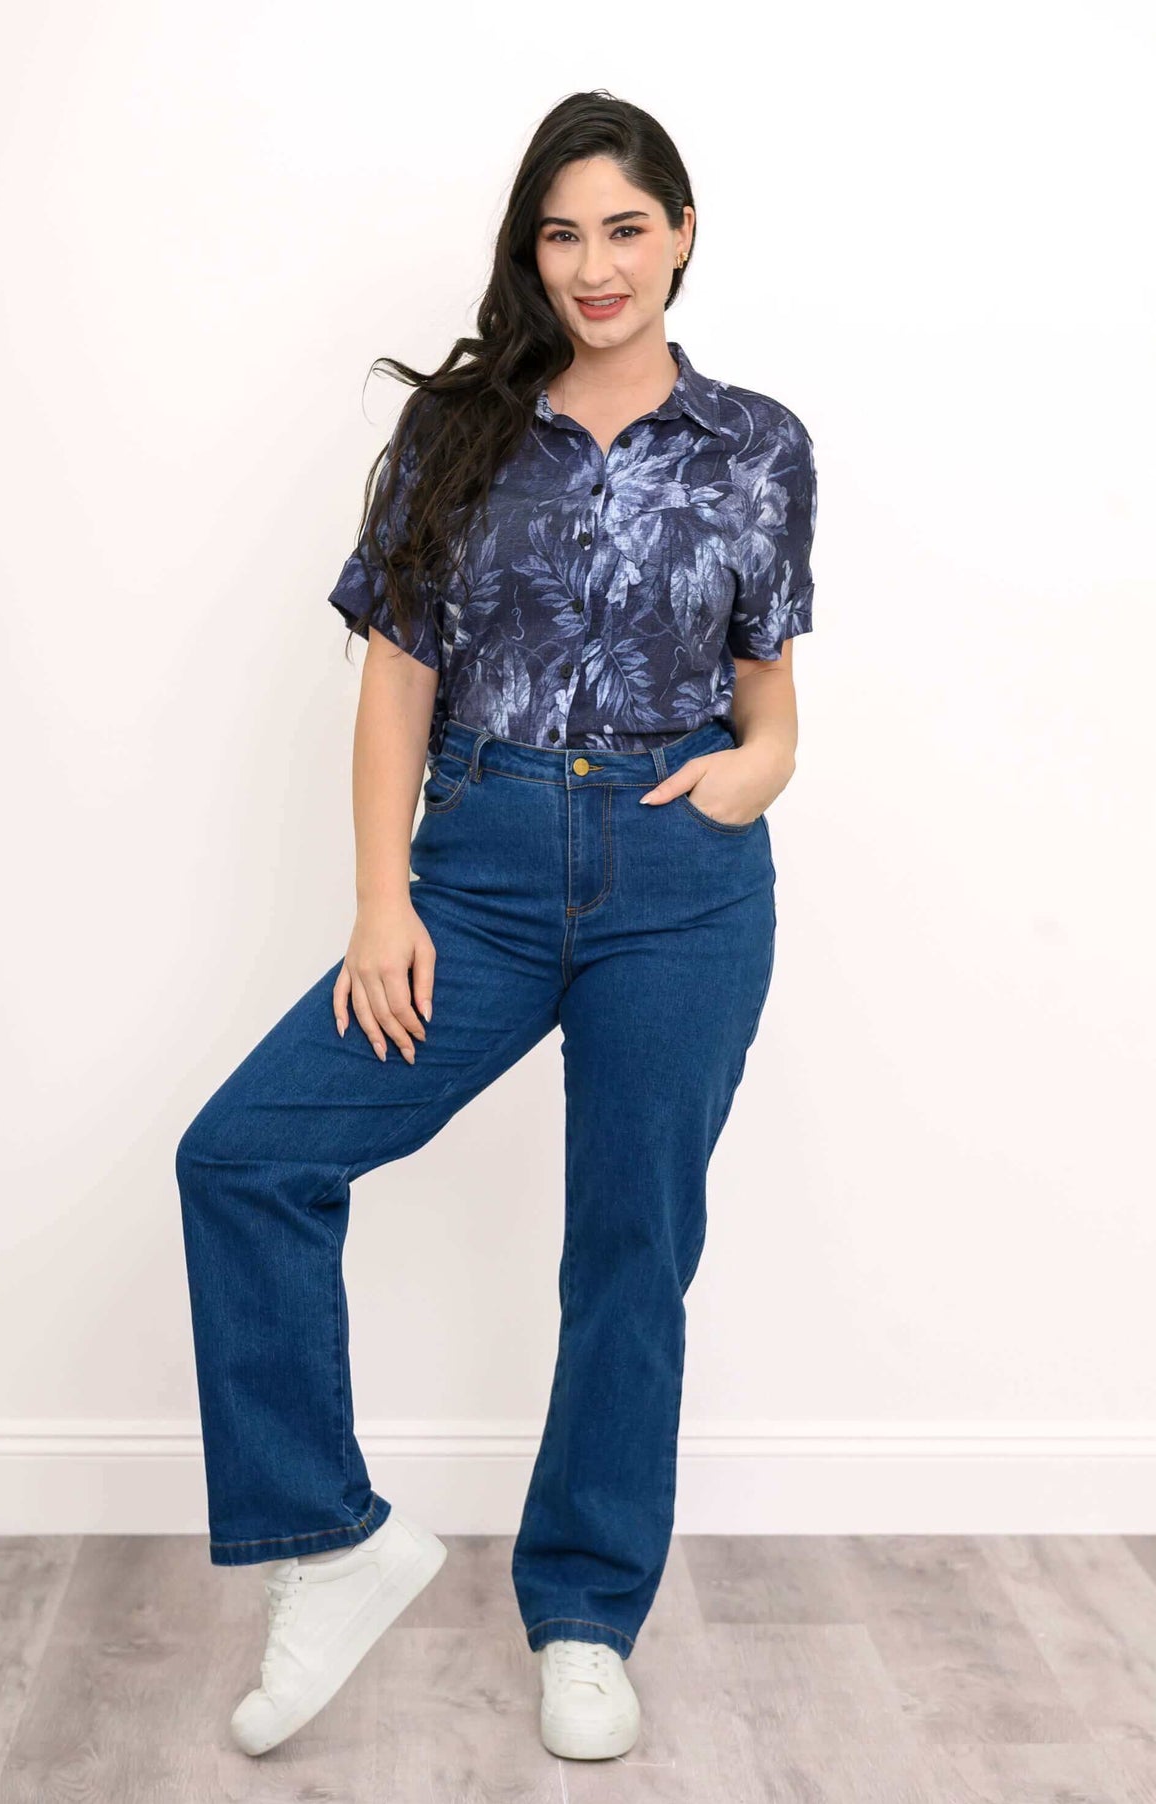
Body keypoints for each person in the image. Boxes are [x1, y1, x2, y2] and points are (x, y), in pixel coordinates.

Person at [176, 87, 817, 1764]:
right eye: (561, 231)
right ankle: (330, 1537)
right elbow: (394, 677)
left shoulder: (758, 446)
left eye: (624, 228)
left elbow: (775, 706)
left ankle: (589, 1616)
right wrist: (383, 897)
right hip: (479, 859)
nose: (594, 265)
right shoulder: (461, 433)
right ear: (527, 252)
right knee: (243, 1158)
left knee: (628, 1254)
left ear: (683, 233)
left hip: (681, 881)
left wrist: (754, 777)